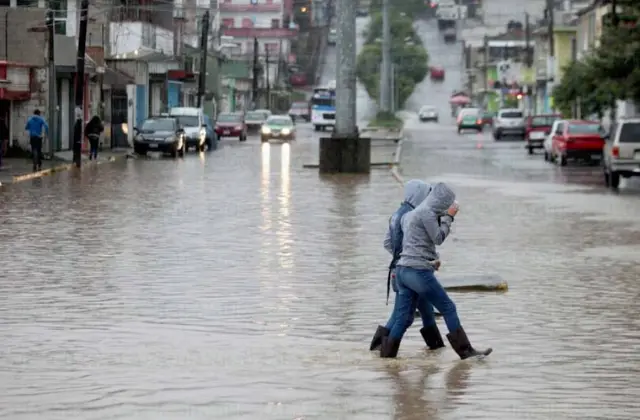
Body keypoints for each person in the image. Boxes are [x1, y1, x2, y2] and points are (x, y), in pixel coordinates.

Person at [380, 182, 492, 359]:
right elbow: (438, 238)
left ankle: (386, 358)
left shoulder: (409, 215)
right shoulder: (427, 213)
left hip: (402, 271)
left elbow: (414, 246)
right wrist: (449, 217)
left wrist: (430, 262)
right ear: (441, 202)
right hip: (417, 273)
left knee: (403, 318)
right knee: (448, 307)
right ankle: (466, 352)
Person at [369, 180, 446, 352]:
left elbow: (387, 243)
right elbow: (417, 244)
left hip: (399, 271)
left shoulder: (396, 214)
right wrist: (419, 260)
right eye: (426, 194)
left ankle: (436, 351)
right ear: (418, 194)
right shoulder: (413, 215)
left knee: (426, 312)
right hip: (413, 271)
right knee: (401, 316)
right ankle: (380, 350)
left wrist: (399, 258)